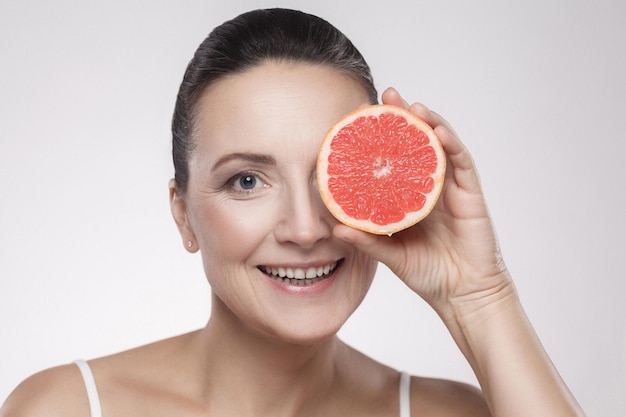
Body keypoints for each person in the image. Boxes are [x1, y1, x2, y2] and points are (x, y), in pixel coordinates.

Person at [1, 8, 585, 417]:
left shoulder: (450, 414)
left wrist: (481, 298)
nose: (305, 230)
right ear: (182, 215)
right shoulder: (65, 408)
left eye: (329, 178)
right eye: (248, 180)